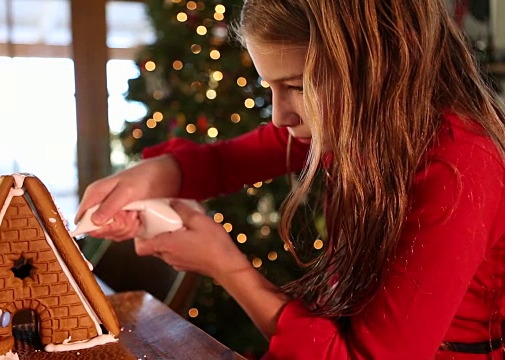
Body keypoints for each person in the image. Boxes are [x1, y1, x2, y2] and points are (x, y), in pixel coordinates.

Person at [75, 0, 505, 358]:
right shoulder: (355, 115)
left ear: (377, 66)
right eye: (271, 88)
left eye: (297, 86)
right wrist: (143, 179)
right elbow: (222, 163)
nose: (280, 116)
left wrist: (227, 268)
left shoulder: (460, 168)